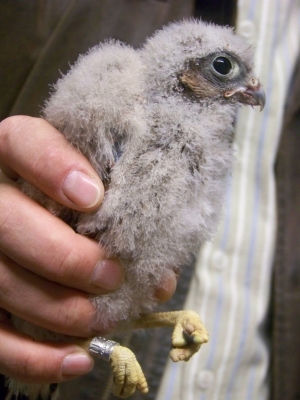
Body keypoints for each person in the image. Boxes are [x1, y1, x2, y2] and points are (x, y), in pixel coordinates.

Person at [0, 1, 299, 400]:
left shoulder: (204, 149)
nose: (255, 86)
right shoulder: (124, 96)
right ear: (183, 73)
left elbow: (126, 290)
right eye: (224, 68)